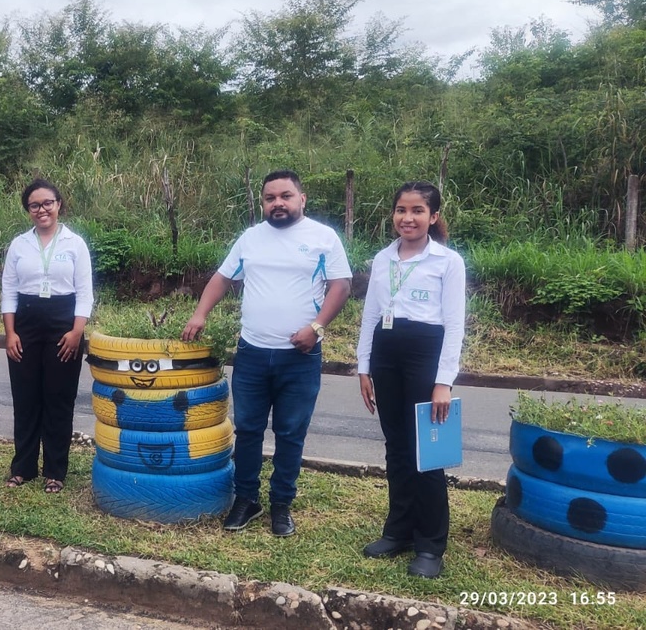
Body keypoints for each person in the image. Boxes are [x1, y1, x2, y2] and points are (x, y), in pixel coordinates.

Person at [182, 169, 351, 537]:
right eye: (270, 198)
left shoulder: (323, 237)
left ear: (301, 199)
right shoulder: (250, 239)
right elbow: (222, 277)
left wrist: (316, 328)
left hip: (300, 356)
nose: (278, 203)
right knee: (248, 430)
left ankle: (281, 505)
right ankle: (246, 500)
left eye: (285, 196)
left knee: (291, 432)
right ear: (263, 203)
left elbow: (341, 285)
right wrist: (200, 313)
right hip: (253, 353)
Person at [356, 181, 466, 579]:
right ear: (393, 215)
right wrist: (363, 367)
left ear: (433, 217)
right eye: (402, 210)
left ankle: (430, 545)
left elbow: (454, 325)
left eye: (418, 210)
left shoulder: (448, 262)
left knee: (428, 453)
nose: (408, 218)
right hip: (386, 356)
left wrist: (444, 381)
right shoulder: (382, 258)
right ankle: (398, 531)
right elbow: (370, 315)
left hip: (426, 354)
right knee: (397, 449)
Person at [1, 178, 93, 494]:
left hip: (64, 323)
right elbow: (9, 291)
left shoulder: (74, 244)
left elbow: (85, 293)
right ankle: (23, 468)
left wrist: (76, 333)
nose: (42, 210)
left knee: (58, 397)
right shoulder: (19, 244)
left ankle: (55, 471)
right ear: (28, 210)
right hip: (24, 323)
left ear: (58, 205)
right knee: (26, 397)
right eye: (35, 205)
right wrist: (9, 333)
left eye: (47, 203)